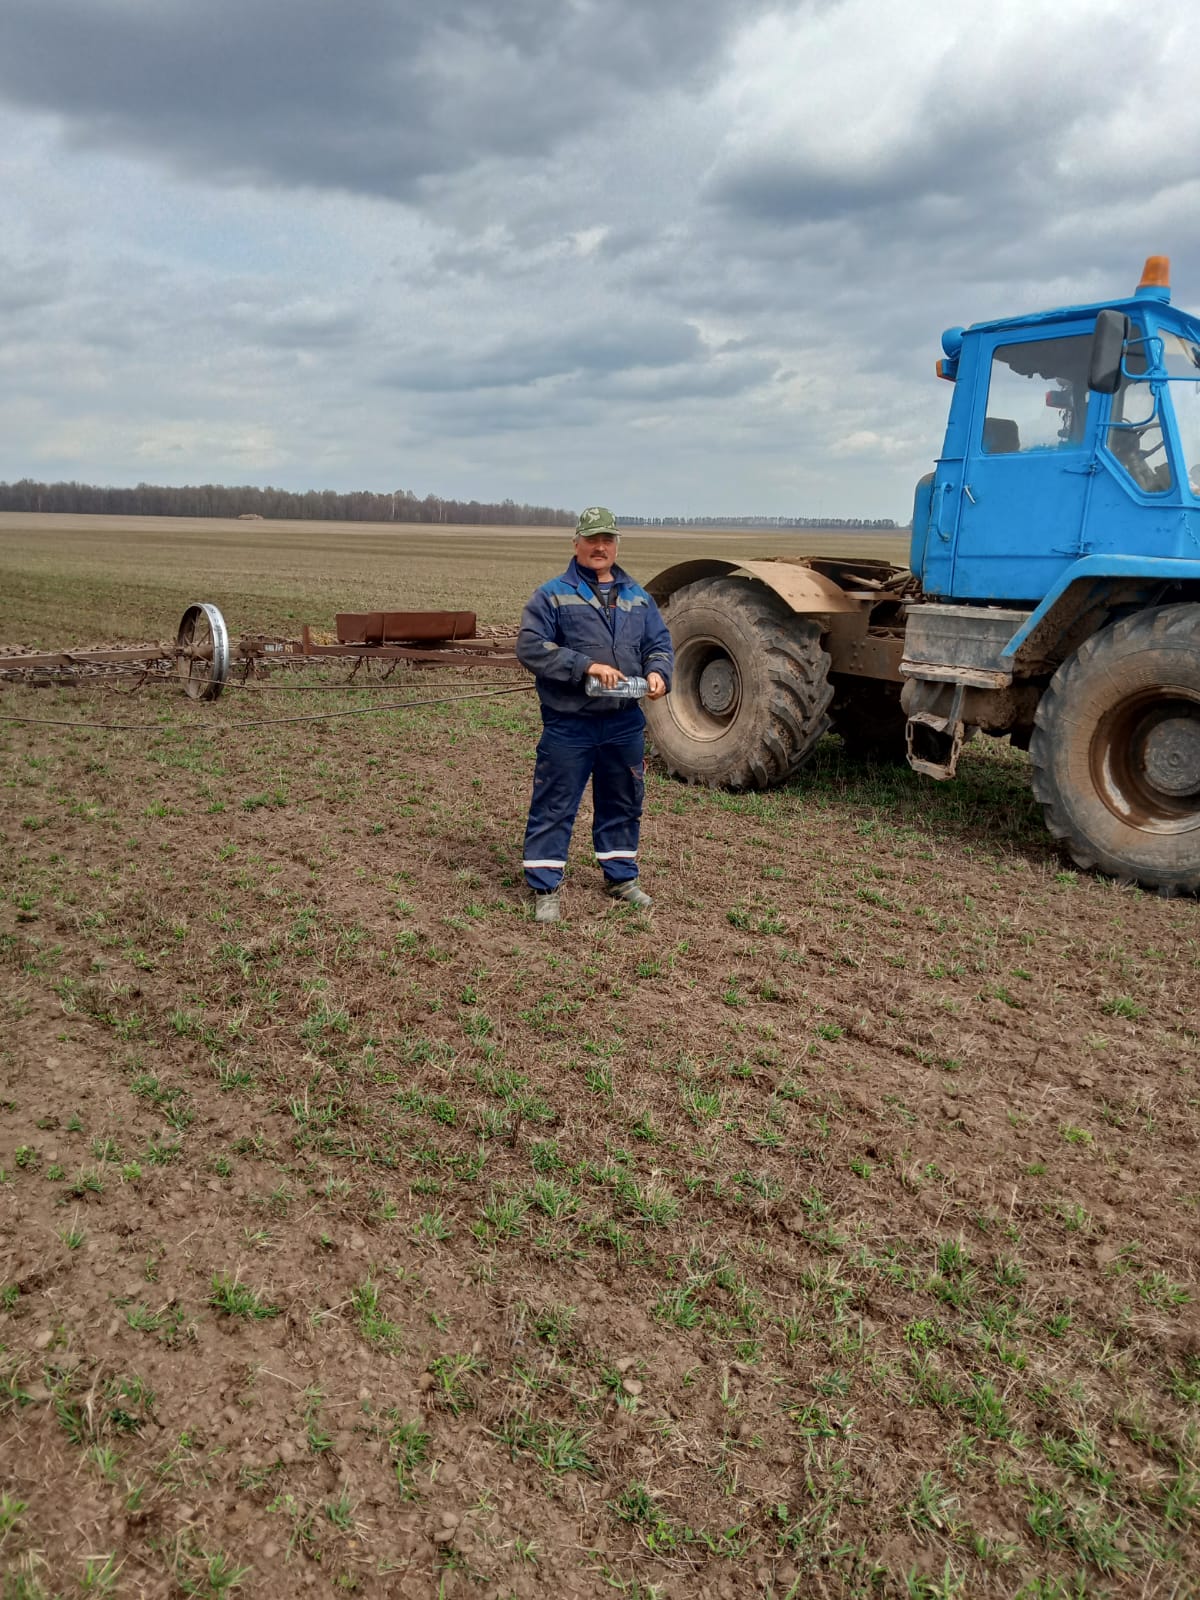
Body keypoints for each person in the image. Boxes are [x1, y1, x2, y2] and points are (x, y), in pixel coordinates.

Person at [516, 506, 674, 924]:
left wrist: (658, 673)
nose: (600, 546)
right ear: (577, 544)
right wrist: (585, 666)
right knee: (555, 803)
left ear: (616, 543)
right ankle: (545, 886)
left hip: (624, 721)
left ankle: (620, 877)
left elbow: (659, 644)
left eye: (607, 539)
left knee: (624, 800)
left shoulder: (638, 597)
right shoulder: (552, 594)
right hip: (570, 722)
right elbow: (531, 646)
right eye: (592, 539)